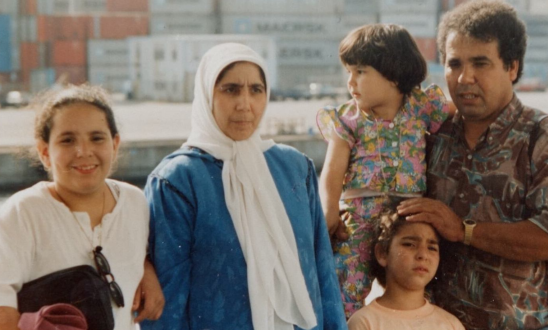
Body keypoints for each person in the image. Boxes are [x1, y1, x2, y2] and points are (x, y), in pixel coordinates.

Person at [397, 1, 548, 329]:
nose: (464, 78)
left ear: (512, 68)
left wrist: (464, 230)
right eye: (454, 63)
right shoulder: (433, 136)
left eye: (480, 63)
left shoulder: (546, 136)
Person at [140, 43, 346, 330]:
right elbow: (166, 301)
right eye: (230, 89)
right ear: (206, 94)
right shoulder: (178, 180)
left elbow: (322, 273)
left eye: (256, 90)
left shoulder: (295, 168)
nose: (245, 104)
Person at [0, 85, 164, 330]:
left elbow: (129, 253)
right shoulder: (24, 212)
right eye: (67, 140)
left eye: (97, 138)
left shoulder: (134, 202)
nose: (84, 151)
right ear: (45, 152)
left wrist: (146, 268)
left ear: (115, 144)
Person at [316, 23, 452, 317]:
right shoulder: (349, 120)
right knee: (345, 282)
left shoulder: (421, 108)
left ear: (393, 74)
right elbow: (331, 173)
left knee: (418, 280)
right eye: (349, 71)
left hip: (408, 213)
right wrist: (329, 211)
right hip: (359, 214)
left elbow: (462, 114)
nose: (351, 81)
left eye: (360, 72)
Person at [347, 202, 464, 330]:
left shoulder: (450, 324)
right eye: (409, 244)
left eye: (431, 248)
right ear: (382, 253)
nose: (423, 255)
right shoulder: (364, 322)